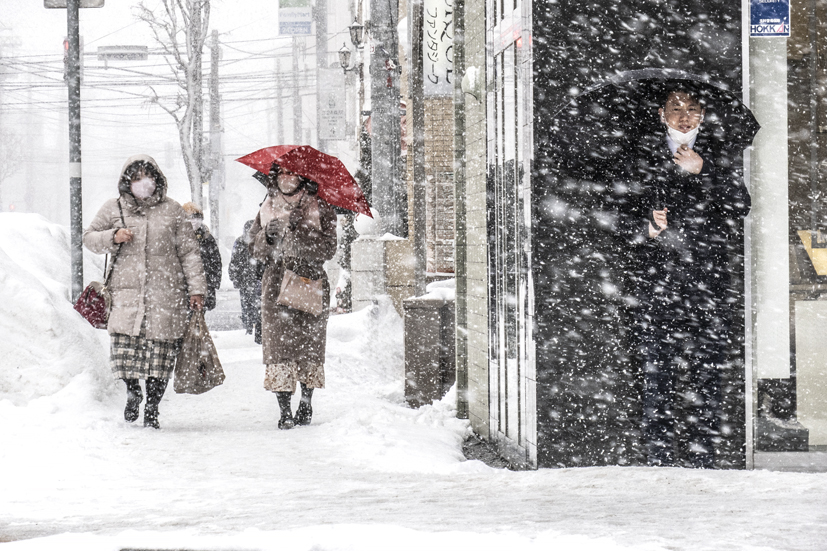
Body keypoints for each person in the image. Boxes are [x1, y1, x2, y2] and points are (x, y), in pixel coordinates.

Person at [614, 87, 752, 468]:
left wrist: (703, 170)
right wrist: (648, 228)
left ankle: (703, 453)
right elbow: (616, 211)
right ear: (662, 114)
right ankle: (657, 452)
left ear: (703, 114)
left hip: (707, 276)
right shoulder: (640, 150)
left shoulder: (718, 150)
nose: (684, 116)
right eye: (676, 109)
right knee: (655, 368)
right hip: (654, 278)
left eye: (692, 109)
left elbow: (740, 205)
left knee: (708, 368)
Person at [83, 155, 207, 429]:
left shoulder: (173, 210)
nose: (142, 183)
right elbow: (89, 237)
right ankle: (133, 392)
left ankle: (152, 406)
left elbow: (189, 252)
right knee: (125, 356)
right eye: (136, 177)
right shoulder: (113, 208)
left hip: (166, 296)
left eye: (147, 177)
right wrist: (112, 236)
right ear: (127, 181)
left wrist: (196, 289)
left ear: (157, 179)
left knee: (159, 359)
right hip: (126, 297)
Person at [248, 164, 337, 429]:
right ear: (275, 177)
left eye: (293, 173)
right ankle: (284, 410)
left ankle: (306, 402)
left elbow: (329, 247)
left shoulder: (319, 206)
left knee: (309, 345)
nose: (288, 178)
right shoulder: (266, 206)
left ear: (302, 176)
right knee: (279, 348)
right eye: (282, 173)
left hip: (309, 279)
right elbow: (253, 249)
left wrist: (300, 235)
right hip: (276, 284)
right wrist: (267, 237)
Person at [182, 202, 222, 311]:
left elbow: (216, 261)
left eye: (197, 217)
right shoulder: (178, 238)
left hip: (205, 284)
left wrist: (213, 283)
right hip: (183, 286)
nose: (194, 221)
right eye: (190, 217)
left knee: (198, 318)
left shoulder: (207, 238)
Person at [229, 220, 262, 343]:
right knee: (248, 304)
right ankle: (248, 328)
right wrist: (234, 276)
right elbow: (234, 260)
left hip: (253, 279)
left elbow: (234, 261)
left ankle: (252, 328)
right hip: (246, 279)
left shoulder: (258, 242)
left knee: (254, 304)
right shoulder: (240, 242)